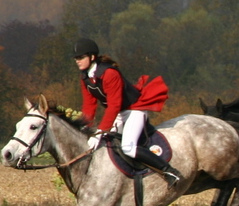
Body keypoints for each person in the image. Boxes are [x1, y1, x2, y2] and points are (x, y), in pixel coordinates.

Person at [73, 38, 182, 187]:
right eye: (76, 58)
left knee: (128, 148)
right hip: (119, 112)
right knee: (104, 146)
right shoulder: (85, 77)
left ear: (92, 57)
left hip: (134, 109)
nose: (77, 61)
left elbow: (114, 105)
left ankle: (169, 172)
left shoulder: (109, 73)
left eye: (80, 57)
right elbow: (89, 105)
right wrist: (84, 127)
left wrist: (100, 131)